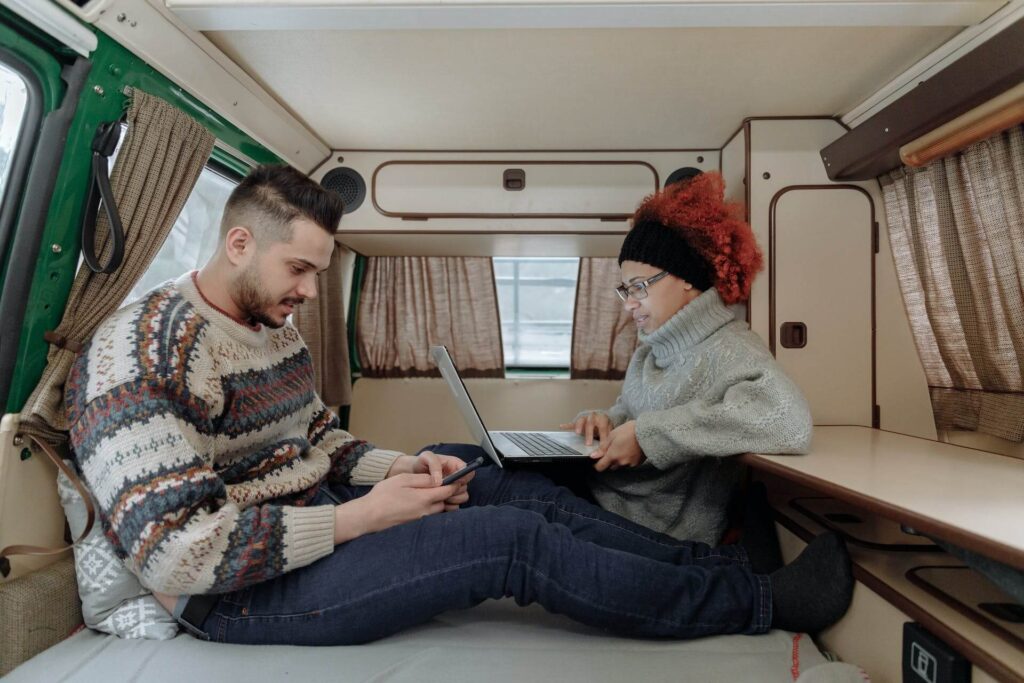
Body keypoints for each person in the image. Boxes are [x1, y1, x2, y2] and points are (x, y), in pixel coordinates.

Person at [65, 164, 851, 646]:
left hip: (309, 515)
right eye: (299, 269)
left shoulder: (275, 330)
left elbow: (320, 444)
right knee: (512, 542)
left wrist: (405, 469)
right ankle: (754, 600)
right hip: (238, 591)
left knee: (491, 478)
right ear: (238, 244)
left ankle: (706, 564)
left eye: (318, 273)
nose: (309, 292)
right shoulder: (137, 355)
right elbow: (180, 553)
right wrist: (364, 517)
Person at [563, 172, 813, 551]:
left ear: (687, 279)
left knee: (506, 493)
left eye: (639, 287)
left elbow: (789, 422)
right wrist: (606, 421)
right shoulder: (650, 348)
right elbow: (632, 413)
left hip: (654, 525)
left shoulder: (732, 348)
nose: (629, 303)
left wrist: (649, 436)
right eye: (625, 289)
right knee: (491, 473)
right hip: (611, 497)